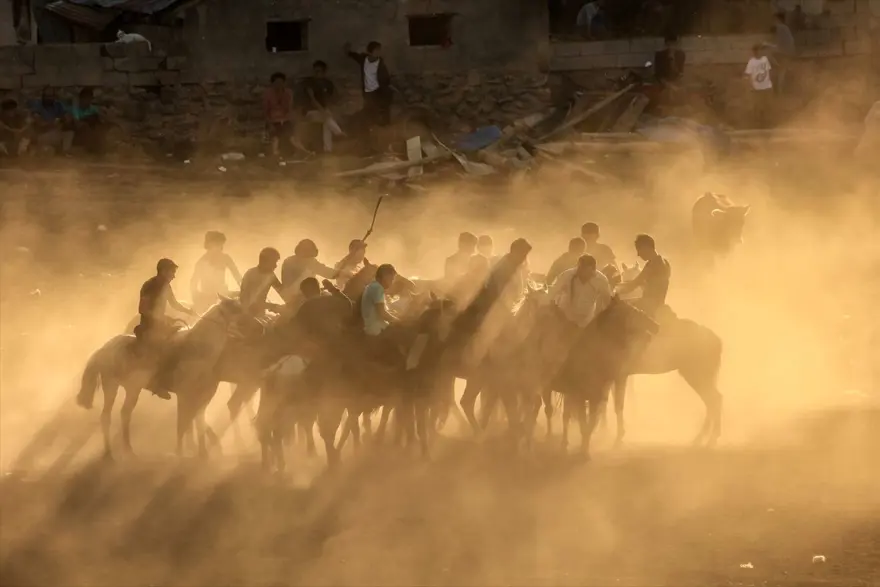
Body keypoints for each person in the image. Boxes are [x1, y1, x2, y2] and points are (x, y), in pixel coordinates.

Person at [136, 258, 196, 395]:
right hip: (148, 326)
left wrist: (189, 311)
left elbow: (174, 304)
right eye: (172, 272)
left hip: (160, 324)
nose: (174, 276)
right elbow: (142, 309)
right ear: (163, 271)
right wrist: (160, 318)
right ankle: (154, 383)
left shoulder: (166, 286)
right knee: (162, 349)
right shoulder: (149, 286)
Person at [550, 255, 612, 328]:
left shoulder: (601, 280)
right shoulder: (567, 275)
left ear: (593, 270)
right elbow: (553, 291)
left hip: (586, 321)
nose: (580, 271)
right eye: (579, 268)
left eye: (584, 269)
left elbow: (607, 301)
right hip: (564, 318)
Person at [617, 234, 670, 317]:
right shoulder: (664, 262)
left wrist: (615, 290)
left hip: (649, 306)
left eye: (639, 250)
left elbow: (633, 285)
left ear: (646, 247)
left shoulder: (653, 264)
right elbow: (654, 284)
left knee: (618, 310)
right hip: (657, 303)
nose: (638, 254)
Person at [190, 231, 242, 314]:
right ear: (209, 244)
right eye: (217, 244)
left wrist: (244, 290)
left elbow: (237, 277)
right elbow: (193, 282)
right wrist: (196, 298)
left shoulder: (225, 258)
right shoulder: (201, 262)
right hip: (207, 297)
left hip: (223, 295)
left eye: (221, 244)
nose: (220, 247)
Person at [344, 41, 392, 128]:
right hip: (368, 91)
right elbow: (355, 56)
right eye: (377, 50)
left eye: (379, 50)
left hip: (378, 91)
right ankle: (366, 126)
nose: (379, 52)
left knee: (380, 108)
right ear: (371, 51)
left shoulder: (380, 63)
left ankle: (382, 126)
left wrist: (385, 86)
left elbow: (385, 77)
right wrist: (349, 52)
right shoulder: (364, 59)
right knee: (369, 109)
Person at [263, 72, 311, 158]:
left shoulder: (288, 93)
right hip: (273, 120)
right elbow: (266, 111)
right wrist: (269, 123)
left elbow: (289, 108)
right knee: (275, 138)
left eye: (281, 82)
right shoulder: (268, 94)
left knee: (292, 137)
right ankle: (275, 155)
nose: (279, 85)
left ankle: (304, 151)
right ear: (273, 83)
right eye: (277, 83)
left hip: (286, 119)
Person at [302, 60, 345, 153]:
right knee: (327, 118)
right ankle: (338, 132)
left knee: (327, 123)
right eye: (315, 71)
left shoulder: (328, 83)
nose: (317, 73)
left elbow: (330, 99)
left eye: (319, 71)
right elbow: (313, 100)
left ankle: (328, 150)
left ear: (324, 72)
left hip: (324, 111)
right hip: (311, 111)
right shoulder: (309, 83)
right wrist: (323, 111)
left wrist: (327, 110)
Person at [280, 239, 338, 304]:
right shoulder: (308, 262)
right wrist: (342, 274)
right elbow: (329, 273)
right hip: (299, 299)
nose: (311, 257)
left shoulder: (288, 260)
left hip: (295, 297)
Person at [240, 247, 285, 317]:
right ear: (264, 261)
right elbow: (245, 299)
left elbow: (283, 292)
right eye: (274, 262)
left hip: (260, 314)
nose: (275, 266)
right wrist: (273, 306)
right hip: (246, 314)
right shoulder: (251, 274)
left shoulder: (271, 275)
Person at [27, 87, 73, 154]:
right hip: (42, 135)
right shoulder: (37, 105)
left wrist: (64, 119)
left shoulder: (57, 105)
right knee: (55, 135)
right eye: (47, 96)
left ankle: (65, 152)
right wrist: (54, 123)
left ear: (54, 97)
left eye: (51, 96)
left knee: (69, 133)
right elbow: (40, 123)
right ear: (43, 96)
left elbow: (67, 117)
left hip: (56, 133)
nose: (49, 98)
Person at [67, 88, 106, 155]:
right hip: (78, 131)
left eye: (89, 99)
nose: (88, 101)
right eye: (86, 99)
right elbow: (76, 122)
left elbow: (101, 118)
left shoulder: (93, 108)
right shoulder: (74, 109)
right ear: (81, 99)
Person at [744, 44, 773, 128]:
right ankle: (758, 122)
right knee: (757, 105)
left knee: (767, 104)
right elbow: (749, 75)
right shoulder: (751, 62)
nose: (758, 52)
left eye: (760, 50)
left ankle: (767, 122)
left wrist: (770, 83)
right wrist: (751, 86)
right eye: (756, 51)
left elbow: (768, 71)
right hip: (757, 88)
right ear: (754, 52)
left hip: (767, 86)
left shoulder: (765, 59)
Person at [770, 12, 795, 95]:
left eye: (774, 19)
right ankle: (780, 90)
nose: (773, 21)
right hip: (787, 52)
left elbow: (772, 29)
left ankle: (779, 91)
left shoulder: (780, 27)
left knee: (780, 72)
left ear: (778, 19)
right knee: (781, 72)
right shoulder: (785, 28)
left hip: (783, 53)